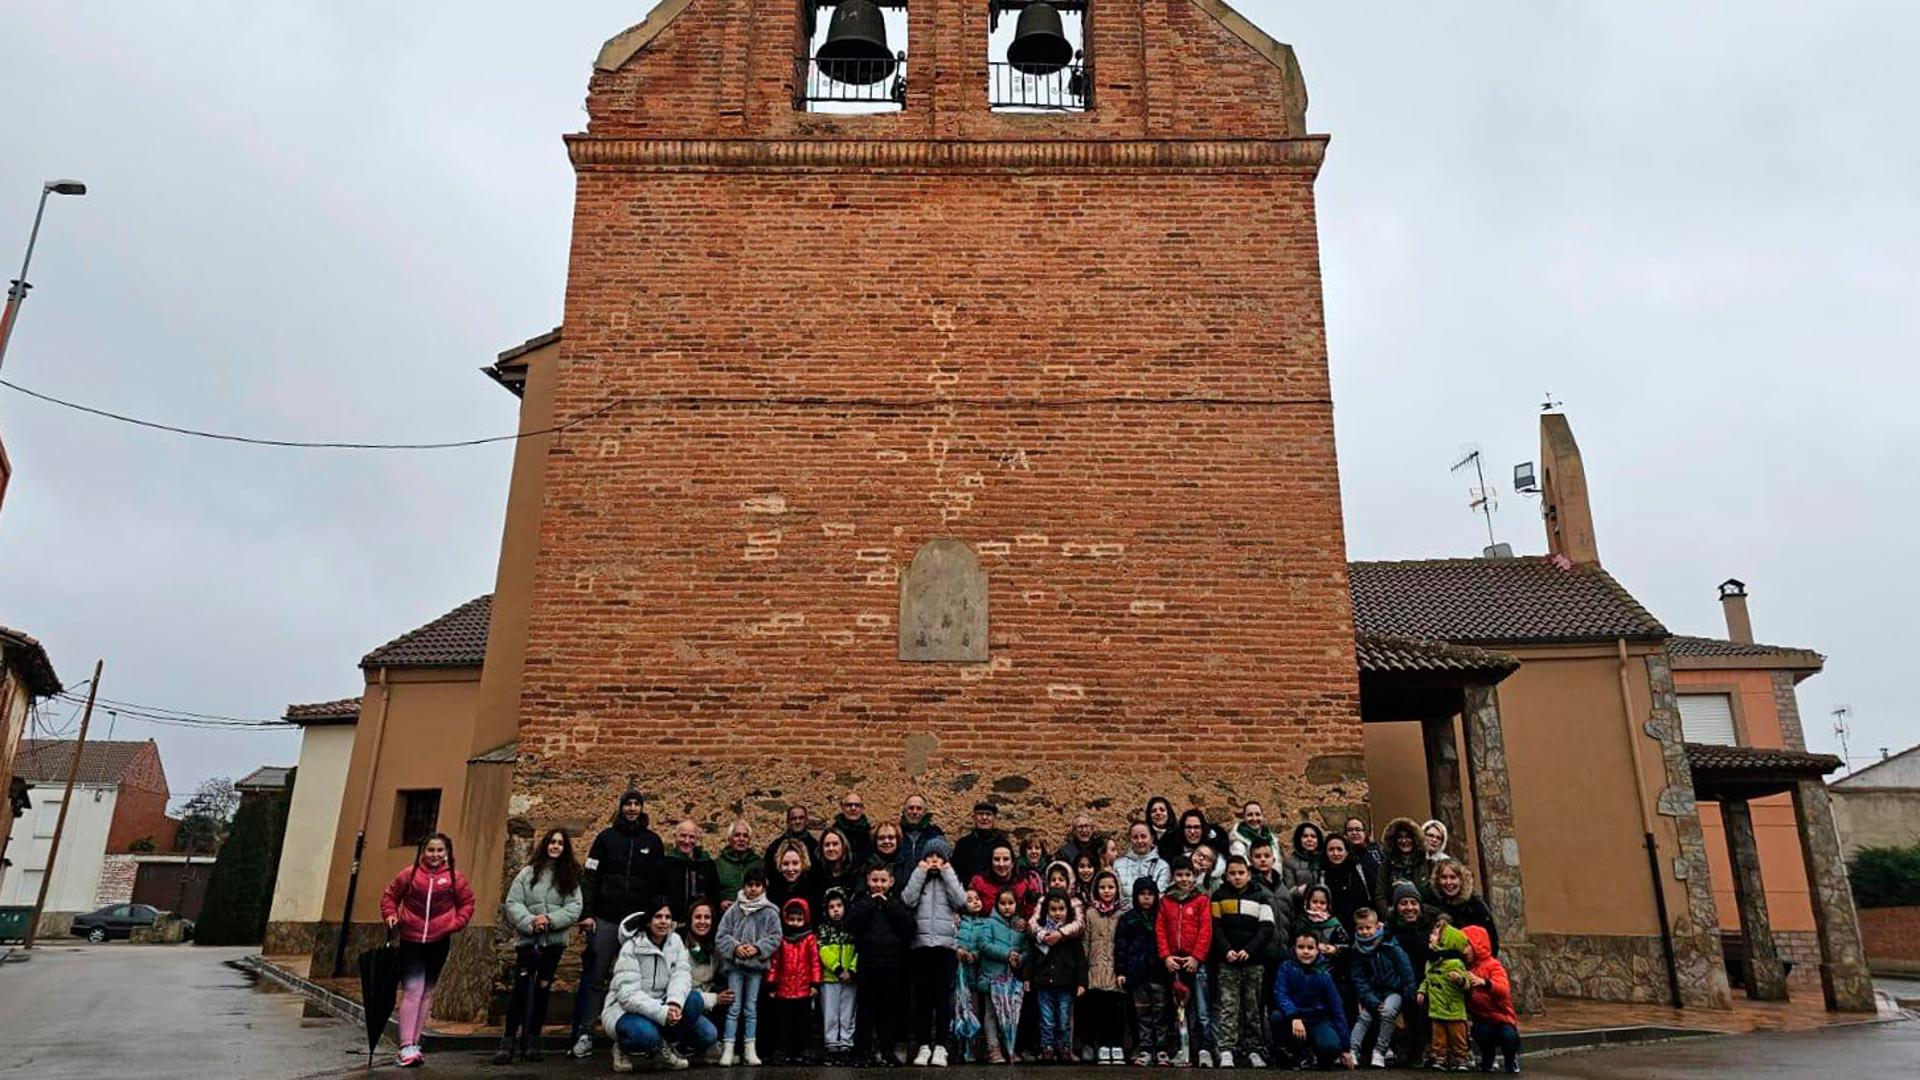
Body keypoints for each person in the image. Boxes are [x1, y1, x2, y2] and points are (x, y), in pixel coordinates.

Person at [572, 789, 664, 1060]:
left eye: (636, 804)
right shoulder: (605, 838)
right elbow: (590, 877)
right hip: (605, 918)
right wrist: (587, 914)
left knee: (639, 980)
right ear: (621, 807)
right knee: (596, 977)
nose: (632, 809)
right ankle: (585, 1032)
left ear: (642, 808)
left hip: (637, 923)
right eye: (628, 804)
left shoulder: (653, 841)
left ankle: (638, 1035)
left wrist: (652, 920)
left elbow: (657, 885)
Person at [380, 832, 476, 1069]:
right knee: (413, 989)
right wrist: (391, 915)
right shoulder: (409, 874)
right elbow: (390, 896)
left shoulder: (454, 877)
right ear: (423, 853)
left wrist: (454, 924)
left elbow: (467, 903)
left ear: (447, 853)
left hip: (438, 941)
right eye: (430, 850)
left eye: (440, 850)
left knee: (427, 993)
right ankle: (404, 1046)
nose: (435, 855)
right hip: (411, 940)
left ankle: (415, 1043)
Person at [496, 827, 583, 1064]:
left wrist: (551, 920)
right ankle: (508, 1041)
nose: (555, 846)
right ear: (545, 845)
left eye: (560, 843)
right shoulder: (527, 873)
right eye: (552, 842)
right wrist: (530, 921)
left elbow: (575, 907)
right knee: (521, 989)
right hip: (528, 941)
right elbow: (514, 902)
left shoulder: (569, 877)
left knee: (543, 988)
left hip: (553, 943)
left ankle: (532, 1041)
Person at [603, 896, 719, 1072]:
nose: (663, 922)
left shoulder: (676, 942)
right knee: (646, 1036)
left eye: (667, 917)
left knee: (705, 1027)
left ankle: (665, 1046)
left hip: (664, 1004)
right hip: (627, 1010)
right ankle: (623, 1048)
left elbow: (682, 976)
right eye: (658, 917)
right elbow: (628, 996)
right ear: (648, 922)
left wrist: (674, 1003)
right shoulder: (631, 948)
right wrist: (663, 1013)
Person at [902, 836, 966, 1066]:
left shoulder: (949, 878)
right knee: (922, 999)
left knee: (942, 999)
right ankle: (923, 1045)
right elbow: (907, 899)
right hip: (920, 946)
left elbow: (961, 900)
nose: (934, 861)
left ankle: (941, 1045)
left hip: (944, 946)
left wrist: (947, 872)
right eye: (930, 857)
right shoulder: (919, 878)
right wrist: (920, 872)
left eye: (939, 857)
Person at [1209, 854, 1276, 1069]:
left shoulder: (1261, 896)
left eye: (1241, 873)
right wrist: (1227, 950)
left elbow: (1266, 927)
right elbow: (1216, 927)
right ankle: (1227, 1048)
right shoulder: (1218, 896)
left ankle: (1253, 1048)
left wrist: (1249, 950)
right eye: (1232, 874)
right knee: (1228, 1006)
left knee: (1252, 1006)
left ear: (1248, 874)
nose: (1237, 877)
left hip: (1253, 962)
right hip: (1226, 962)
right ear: (1226, 875)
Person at [848, 862, 915, 1066]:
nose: (879, 885)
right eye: (875, 880)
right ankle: (862, 1052)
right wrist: (870, 903)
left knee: (888, 1012)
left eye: (883, 880)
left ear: (891, 882)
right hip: (867, 964)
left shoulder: (896, 902)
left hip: (892, 965)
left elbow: (909, 925)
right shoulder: (861, 901)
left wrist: (887, 904)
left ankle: (887, 1051)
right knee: (865, 1011)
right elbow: (851, 923)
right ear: (868, 881)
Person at [715, 867, 780, 1066]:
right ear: (744, 886)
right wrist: (735, 948)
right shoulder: (734, 909)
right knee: (734, 1008)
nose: (753, 889)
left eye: (757, 885)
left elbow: (775, 937)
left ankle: (750, 1049)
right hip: (735, 966)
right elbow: (722, 935)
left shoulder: (770, 912)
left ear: (764, 887)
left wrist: (758, 949)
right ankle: (728, 1048)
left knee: (751, 1008)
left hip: (756, 967)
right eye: (750, 885)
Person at [1154, 856, 1214, 1067]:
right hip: (1175, 962)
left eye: (1188, 874)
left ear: (1194, 875)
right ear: (1173, 876)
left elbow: (1206, 930)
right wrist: (1166, 956)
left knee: (1202, 1009)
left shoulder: (1202, 899)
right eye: (1179, 875)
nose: (1184, 879)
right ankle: (1183, 1048)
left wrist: (1197, 957)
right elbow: (1160, 930)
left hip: (1195, 962)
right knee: (1179, 1010)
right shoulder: (1166, 901)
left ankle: (1204, 1049)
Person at [1270, 929, 1353, 1070]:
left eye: (1310, 948)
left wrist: (1346, 1047)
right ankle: (1291, 1054)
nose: (1306, 952)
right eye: (1301, 947)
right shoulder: (1286, 967)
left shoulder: (1324, 974)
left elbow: (1337, 1008)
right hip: (1294, 1018)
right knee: (1277, 1017)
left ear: (1317, 950)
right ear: (1294, 949)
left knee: (1331, 1047)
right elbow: (1280, 994)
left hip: (1318, 1019)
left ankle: (1315, 1054)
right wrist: (1294, 1016)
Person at [1346, 906, 1414, 1070]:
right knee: (1365, 1017)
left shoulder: (1391, 945)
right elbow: (1359, 980)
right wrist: (1372, 1001)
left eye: (1368, 927)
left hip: (1393, 991)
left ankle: (1380, 1051)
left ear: (1377, 926)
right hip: (1373, 993)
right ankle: (1353, 1050)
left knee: (1388, 1012)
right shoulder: (1357, 950)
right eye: (1360, 928)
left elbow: (1407, 973)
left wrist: (1407, 1000)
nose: (1364, 932)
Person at [1025, 890, 1088, 1062]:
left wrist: (1082, 983)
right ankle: (1048, 1047)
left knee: (1064, 1018)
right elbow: (1032, 957)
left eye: (1061, 909)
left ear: (1068, 910)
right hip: (1044, 982)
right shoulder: (1041, 934)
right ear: (1046, 911)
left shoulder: (1070, 935)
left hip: (1066, 984)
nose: (1057, 913)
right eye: (1053, 909)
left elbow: (1081, 960)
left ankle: (1065, 1047)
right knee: (1046, 1019)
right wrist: (1027, 978)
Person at [964, 887, 1026, 1063]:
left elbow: (1026, 949)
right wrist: (1006, 954)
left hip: (1012, 980)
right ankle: (993, 1048)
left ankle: (1010, 1048)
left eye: (1010, 903)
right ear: (997, 905)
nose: (1007, 907)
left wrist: (1019, 959)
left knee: (1011, 1014)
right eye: (1003, 903)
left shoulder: (1020, 926)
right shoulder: (988, 923)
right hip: (992, 977)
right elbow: (984, 944)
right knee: (991, 1014)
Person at [1115, 876, 1171, 1067]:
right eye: (1142, 894)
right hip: (1136, 973)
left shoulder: (1161, 917)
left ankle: (1162, 1048)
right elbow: (1120, 947)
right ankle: (1145, 1048)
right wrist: (1121, 971)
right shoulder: (1128, 919)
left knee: (1161, 1012)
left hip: (1159, 972)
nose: (1146, 898)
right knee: (1142, 1013)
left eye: (1150, 894)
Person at [1385, 882, 1435, 1067]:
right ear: (1396, 907)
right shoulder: (1390, 932)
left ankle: (1423, 1050)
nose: (1409, 908)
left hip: (1425, 984)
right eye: (1403, 903)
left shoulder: (1430, 930)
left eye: (1413, 903)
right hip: (1400, 985)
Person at [768, 897, 823, 1065]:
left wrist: (815, 984)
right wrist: (772, 983)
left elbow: (815, 962)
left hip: (804, 989)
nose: (795, 923)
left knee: (804, 1025)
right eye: (791, 919)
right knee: (783, 1025)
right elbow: (774, 963)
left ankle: (806, 1052)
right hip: (783, 990)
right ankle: (781, 1052)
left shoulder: (810, 939)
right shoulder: (781, 939)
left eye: (799, 919)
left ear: (805, 919)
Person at [1080, 870, 1127, 1065]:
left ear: (1117, 889)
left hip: (1115, 969)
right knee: (1096, 1009)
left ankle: (1115, 1045)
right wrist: (1084, 970)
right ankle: (1099, 1045)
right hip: (1094, 969)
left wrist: (1122, 969)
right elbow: (1085, 942)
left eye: (1110, 887)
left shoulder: (1122, 914)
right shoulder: (1090, 913)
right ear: (1095, 890)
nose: (1106, 891)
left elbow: (1124, 942)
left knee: (1115, 1010)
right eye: (1102, 887)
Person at [681, 898, 735, 1063]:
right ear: (690, 919)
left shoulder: (714, 946)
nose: (702, 922)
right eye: (698, 917)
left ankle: (716, 1045)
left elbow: (724, 970)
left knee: (731, 991)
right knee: (707, 1032)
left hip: (706, 997)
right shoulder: (679, 944)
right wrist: (714, 999)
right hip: (685, 1002)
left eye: (707, 917)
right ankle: (678, 1045)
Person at [1462, 925, 1520, 1074]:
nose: (1464, 950)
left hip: (1502, 1018)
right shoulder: (1466, 968)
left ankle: (1511, 1059)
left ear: (1477, 945)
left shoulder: (1493, 965)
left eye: (1466, 945)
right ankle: (1487, 1058)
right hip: (1482, 1018)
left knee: (1508, 1036)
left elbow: (1503, 990)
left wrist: (1485, 982)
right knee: (1481, 1032)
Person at [1417, 920, 1472, 1071]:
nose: (1430, 937)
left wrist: (1460, 980)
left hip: (1453, 1009)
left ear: (1445, 942)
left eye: (1434, 935)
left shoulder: (1455, 963)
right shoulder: (1431, 962)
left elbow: (1466, 983)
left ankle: (1460, 1058)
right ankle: (1440, 1057)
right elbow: (1428, 979)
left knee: (1457, 1036)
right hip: (1436, 1008)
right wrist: (1422, 990)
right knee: (1438, 1037)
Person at [818, 888, 860, 1066]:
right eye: (831, 907)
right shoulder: (824, 929)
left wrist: (851, 970)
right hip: (830, 978)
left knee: (847, 1013)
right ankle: (831, 1045)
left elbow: (859, 950)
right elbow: (823, 951)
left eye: (839, 906)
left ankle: (846, 1044)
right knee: (830, 1013)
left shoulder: (853, 929)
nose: (835, 910)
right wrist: (837, 969)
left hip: (850, 979)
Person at [1429, 859, 1500, 959]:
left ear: (1461, 880)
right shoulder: (1434, 902)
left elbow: (1492, 938)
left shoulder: (1475, 905)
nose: (1448, 882)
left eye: (1453, 877)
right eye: (1444, 877)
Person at [656, 819, 721, 922]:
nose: (686, 841)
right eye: (683, 835)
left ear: (697, 839)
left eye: (691, 837)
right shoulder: (664, 864)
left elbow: (714, 897)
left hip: (699, 924)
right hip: (672, 923)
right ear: (675, 837)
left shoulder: (707, 865)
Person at [968, 842, 1040, 928]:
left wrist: (1027, 922)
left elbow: (1035, 911)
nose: (1001, 864)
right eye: (997, 859)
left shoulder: (1026, 881)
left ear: (1013, 863)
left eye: (1006, 859)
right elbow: (967, 906)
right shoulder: (979, 882)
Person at [1318, 834, 1372, 932]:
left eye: (1339, 849)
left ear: (1347, 852)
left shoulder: (1361, 870)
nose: (1335, 853)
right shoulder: (1322, 876)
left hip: (1364, 929)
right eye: (1331, 850)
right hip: (1334, 930)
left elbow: (1374, 895)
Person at [952, 802, 1011, 885]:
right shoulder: (963, 844)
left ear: (994, 818)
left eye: (988, 814)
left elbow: (1010, 872)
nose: (984, 817)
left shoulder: (1002, 844)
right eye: (980, 814)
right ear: (974, 817)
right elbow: (955, 872)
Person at [1374, 817, 1427, 908]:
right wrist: (1388, 916)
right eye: (1400, 837)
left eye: (1407, 837)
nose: (1404, 841)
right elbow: (1380, 895)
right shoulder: (1387, 864)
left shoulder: (1425, 863)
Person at [1113, 821, 1171, 898]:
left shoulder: (1162, 866)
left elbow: (1160, 894)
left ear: (1152, 838)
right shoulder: (1118, 865)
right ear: (1130, 839)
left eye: (1143, 836)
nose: (1139, 841)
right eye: (1135, 837)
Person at [1158, 808, 1230, 869]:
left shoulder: (1216, 847)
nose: (1192, 832)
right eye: (1188, 827)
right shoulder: (1171, 851)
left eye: (1196, 827)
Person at [716, 821, 764, 908]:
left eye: (745, 836)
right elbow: (710, 893)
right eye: (737, 835)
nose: (741, 839)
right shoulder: (718, 865)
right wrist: (720, 902)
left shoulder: (759, 864)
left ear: (749, 840)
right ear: (729, 839)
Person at [768, 837, 820, 913]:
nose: (790, 869)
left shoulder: (813, 891)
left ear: (803, 863)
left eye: (795, 863)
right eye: (785, 864)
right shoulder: (772, 893)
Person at [765, 804, 822, 871]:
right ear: (788, 822)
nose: (797, 821)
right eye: (793, 819)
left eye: (801, 818)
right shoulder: (775, 847)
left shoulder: (815, 847)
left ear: (806, 821)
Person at [898, 794, 947, 871]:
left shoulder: (935, 834)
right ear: (904, 811)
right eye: (911, 808)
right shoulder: (896, 833)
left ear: (925, 812)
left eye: (919, 808)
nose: (914, 812)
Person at [817, 827, 865, 899]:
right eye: (827, 845)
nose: (831, 848)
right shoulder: (817, 874)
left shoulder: (856, 872)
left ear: (843, 846)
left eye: (835, 844)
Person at [1282, 821, 1324, 895]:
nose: (1309, 839)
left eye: (1313, 836)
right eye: (1305, 836)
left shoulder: (1323, 859)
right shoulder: (1290, 861)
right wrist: (1300, 890)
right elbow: (1288, 890)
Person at [833, 792, 875, 864]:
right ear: (842, 808)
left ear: (862, 808)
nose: (853, 808)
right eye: (849, 805)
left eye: (857, 805)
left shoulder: (870, 833)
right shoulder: (834, 832)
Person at [870, 822, 906, 895]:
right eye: (881, 838)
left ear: (897, 840)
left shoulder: (905, 865)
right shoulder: (866, 865)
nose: (886, 841)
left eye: (891, 837)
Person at [1342, 816, 1382, 883]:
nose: (1354, 833)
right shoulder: (1343, 856)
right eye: (1350, 830)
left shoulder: (1376, 852)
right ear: (1345, 834)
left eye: (1358, 829)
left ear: (1365, 833)